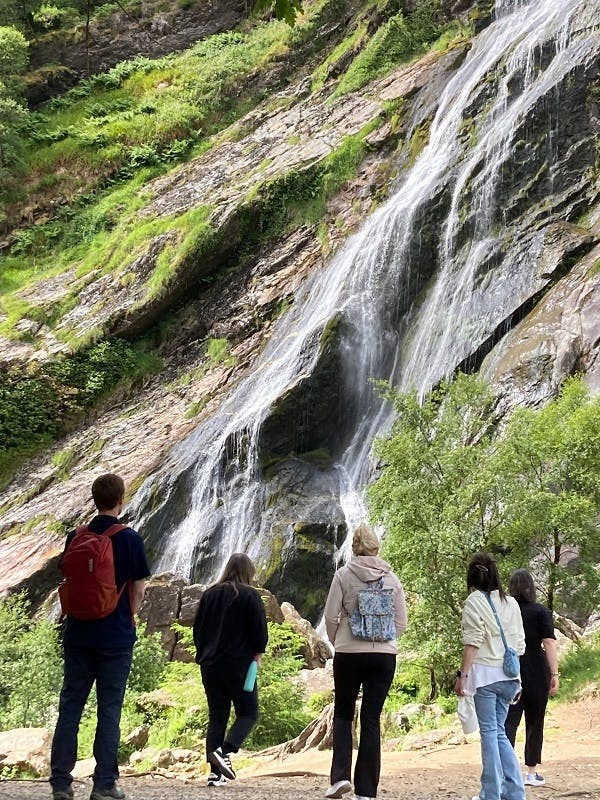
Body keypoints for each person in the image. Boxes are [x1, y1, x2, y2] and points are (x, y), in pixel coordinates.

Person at [50, 473, 150, 800]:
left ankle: (61, 782)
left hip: (78, 633)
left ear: (94, 500)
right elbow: (138, 589)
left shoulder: (75, 536)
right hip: (115, 637)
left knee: (70, 707)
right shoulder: (130, 539)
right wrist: (128, 616)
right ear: (121, 500)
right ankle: (104, 784)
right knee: (109, 710)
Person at [323, 523, 407, 800]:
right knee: (371, 718)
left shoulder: (343, 575)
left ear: (354, 548)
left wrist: (338, 640)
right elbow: (401, 622)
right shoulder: (392, 579)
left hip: (348, 653)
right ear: (376, 548)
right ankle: (366, 791)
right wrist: (384, 638)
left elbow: (331, 617)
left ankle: (340, 778)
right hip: (384, 656)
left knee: (343, 713)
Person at [455, 552, 526, 800]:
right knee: (499, 732)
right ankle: (514, 791)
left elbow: (473, 642)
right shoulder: (511, 603)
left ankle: (490, 793)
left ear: (472, 577)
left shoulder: (474, 602)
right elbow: (520, 643)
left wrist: (463, 676)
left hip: (486, 677)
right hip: (510, 677)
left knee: (489, 734)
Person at [193, 553, 268, 787]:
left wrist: (204, 653)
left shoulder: (209, 594)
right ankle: (224, 751)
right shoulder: (250, 595)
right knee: (248, 713)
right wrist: (258, 653)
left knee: (217, 717)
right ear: (249, 573)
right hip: (241, 666)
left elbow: (198, 629)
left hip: (210, 665)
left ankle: (215, 775)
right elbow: (259, 632)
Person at [504, 569, 559, 787]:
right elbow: (549, 642)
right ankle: (531, 773)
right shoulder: (540, 611)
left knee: (509, 721)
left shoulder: (506, 612)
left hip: (511, 669)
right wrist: (554, 673)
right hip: (537, 668)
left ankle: (507, 772)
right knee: (535, 721)